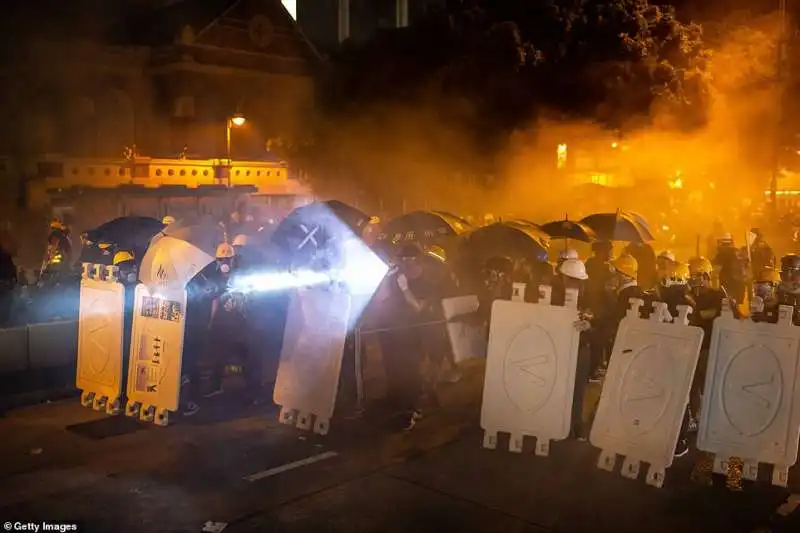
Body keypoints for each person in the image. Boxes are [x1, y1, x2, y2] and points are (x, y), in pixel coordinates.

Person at [374, 243, 436, 431]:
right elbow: (381, 299)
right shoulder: (396, 277)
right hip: (389, 330)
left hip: (411, 333)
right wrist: (386, 279)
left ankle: (413, 409)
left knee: (410, 371)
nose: (405, 264)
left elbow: (418, 307)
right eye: (402, 260)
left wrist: (405, 288)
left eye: (409, 260)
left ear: (418, 261)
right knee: (392, 369)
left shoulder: (425, 280)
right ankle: (395, 404)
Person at [552, 257, 593, 440]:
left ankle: (575, 425)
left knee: (577, 390)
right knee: (557, 386)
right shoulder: (553, 296)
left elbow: (604, 324)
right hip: (558, 347)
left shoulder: (591, 298)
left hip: (580, 348)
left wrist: (590, 326)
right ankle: (557, 424)